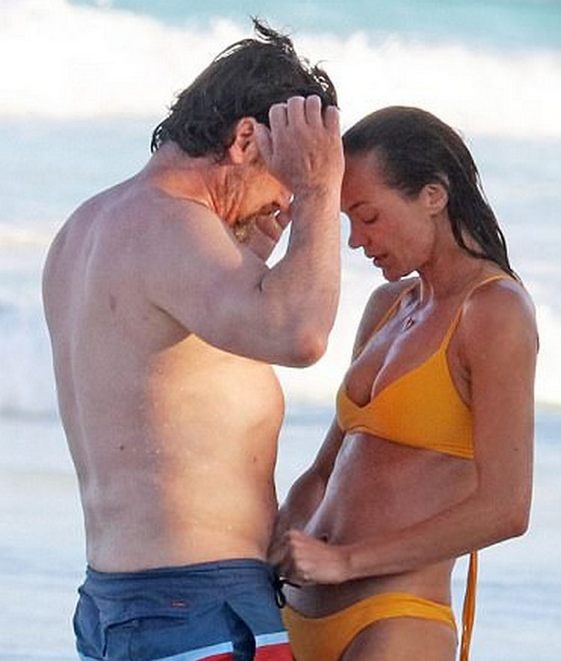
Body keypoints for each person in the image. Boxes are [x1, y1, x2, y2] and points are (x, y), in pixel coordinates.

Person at [42, 20, 344, 661]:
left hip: (117, 603)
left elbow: (162, 381)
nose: (282, 204)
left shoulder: (86, 226)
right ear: (245, 140)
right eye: (282, 181)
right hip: (199, 606)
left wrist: (249, 260)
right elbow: (302, 334)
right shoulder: (172, 225)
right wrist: (321, 188)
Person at [270, 106, 538, 661]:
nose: (355, 240)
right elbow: (324, 472)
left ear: (433, 196)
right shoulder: (387, 307)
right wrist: (269, 552)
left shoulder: (496, 312)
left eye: (368, 216)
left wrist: (345, 561)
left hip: (394, 622)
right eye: (348, 220)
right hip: (294, 611)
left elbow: (506, 507)